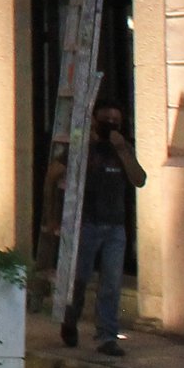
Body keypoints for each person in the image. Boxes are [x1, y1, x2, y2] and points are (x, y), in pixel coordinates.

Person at [51, 102, 147, 355]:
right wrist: (54, 214)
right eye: (107, 119)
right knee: (80, 279)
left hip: (115, 226)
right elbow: (53, 174)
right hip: (87, 223)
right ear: (95, 121)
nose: (112, 124)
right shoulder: (84, 148)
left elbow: (139, 179)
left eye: (116, 119)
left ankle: (107, 336)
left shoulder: (123, 149)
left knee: (112, 283)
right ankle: (70, 320)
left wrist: (122, 150)